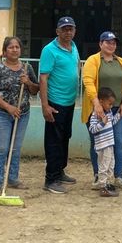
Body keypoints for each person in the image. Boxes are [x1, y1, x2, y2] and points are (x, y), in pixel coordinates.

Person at [0, 36, 39, 194]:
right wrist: (8, 107)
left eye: (17, 47)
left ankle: (13, 178)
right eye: (11, 47)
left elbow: (35, 90)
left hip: (22, 114)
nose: (14, 50)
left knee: (15, 148)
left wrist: (28, 82)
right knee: (1, 148)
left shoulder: (27, 68)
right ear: (4, 51)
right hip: (0, 113)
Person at [82, 31, 122, 192]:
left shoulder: (121, 62)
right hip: (96, 108)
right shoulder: (93, 60)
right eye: (108, 42)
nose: (111, 45)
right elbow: (88, 82)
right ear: (100, 44)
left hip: (117, 109)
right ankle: (99, 176)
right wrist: (96, 104)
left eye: (113, 43)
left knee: (118, 141)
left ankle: (118, 176)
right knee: (97, 143)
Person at [39, 16, 80, 194]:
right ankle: (51, 179)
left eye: (70, 29)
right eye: (64, 29)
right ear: (57, 31)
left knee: (65, 137)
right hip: (55, 102)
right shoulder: (49, 50)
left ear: (74, 31)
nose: (68, 32)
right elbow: (43, 78)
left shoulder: (74, 46)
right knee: (54, 141)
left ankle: (60, 171)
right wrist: (45, 105)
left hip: (69, 102)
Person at [88, 87, 121, 197]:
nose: (111, 106)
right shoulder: (95, 115)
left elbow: (112, 122)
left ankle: (107, 183)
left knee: (111, 164)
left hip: (110, 144)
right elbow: (92, 129)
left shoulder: (109, 112)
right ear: (101, 102)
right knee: (104, 165)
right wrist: (102, 123)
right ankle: (102, 186)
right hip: (102, 145)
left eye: (112, 104)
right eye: (109, 104)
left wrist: (119, 114)